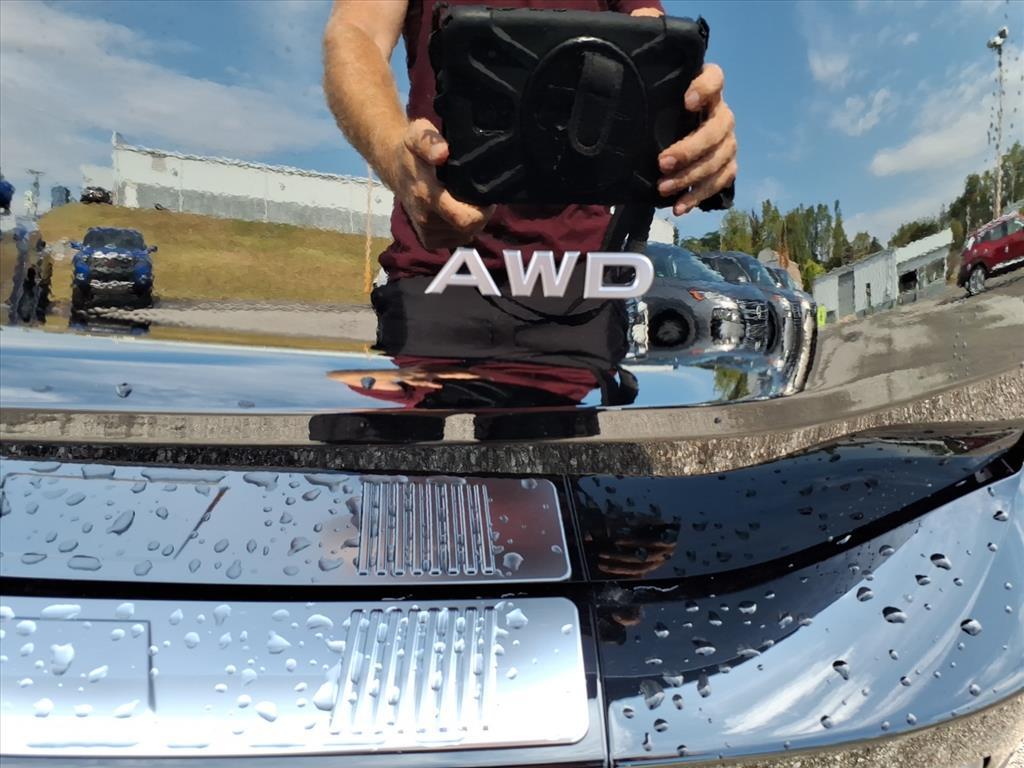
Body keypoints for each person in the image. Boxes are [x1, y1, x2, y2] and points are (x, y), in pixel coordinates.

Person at [322, 0, 738, 283]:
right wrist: (395, 157)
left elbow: (650, 46)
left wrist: (698, 115)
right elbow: (357, 31)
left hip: (584, 286)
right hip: (436, 269)